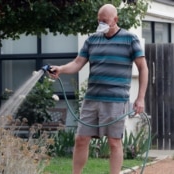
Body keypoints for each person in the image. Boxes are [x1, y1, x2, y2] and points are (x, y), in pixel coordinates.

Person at [50, 4, 148, 174]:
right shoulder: (92, 40)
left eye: (105, 21)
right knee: (81, 139)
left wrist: (140, 98)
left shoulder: (130, 39)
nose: (101, 23)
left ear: (115, 20)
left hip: (116, 100)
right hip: (91, 99)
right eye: (99, 20)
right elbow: (77, 63)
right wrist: (61, 69)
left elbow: (143, 68)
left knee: (114, 142)